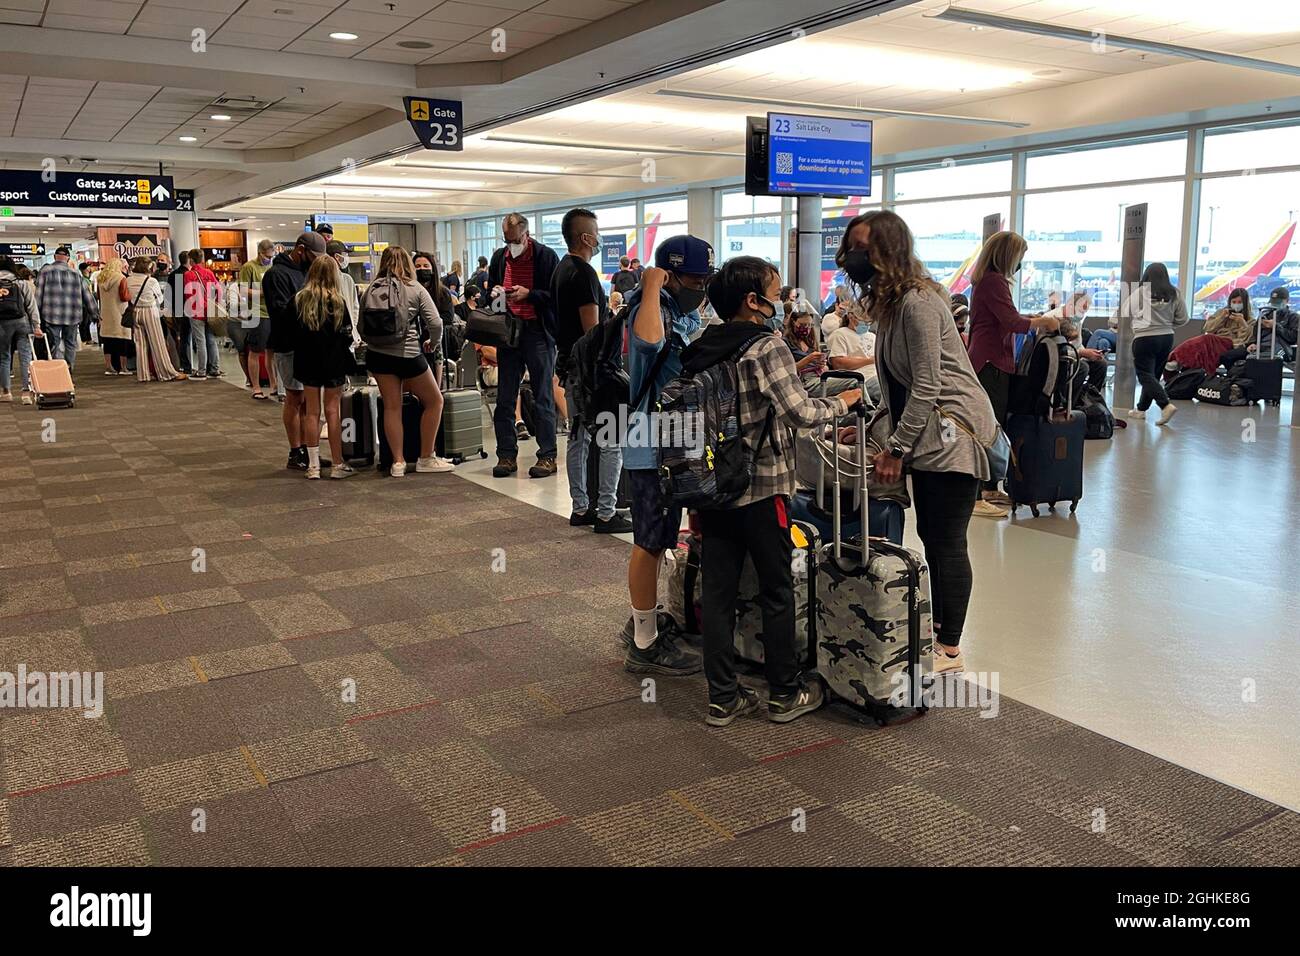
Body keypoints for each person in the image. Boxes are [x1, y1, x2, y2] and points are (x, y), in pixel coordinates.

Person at [688, 256, 861, 726]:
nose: (784, 299)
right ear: (753, 300)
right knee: (777, 588)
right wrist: (843, 402)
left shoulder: (705, 344)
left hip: (712, 486)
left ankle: (722, 696)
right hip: (763, 489)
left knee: (719, 592)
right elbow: (801, 414)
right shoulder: (766, 346)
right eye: (777, 290)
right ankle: (785, 691)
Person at [839, 210, 998, 675]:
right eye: (851, 247)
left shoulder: (919, 302)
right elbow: (898, 385)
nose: (853, 257)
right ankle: (938, 634)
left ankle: (949, 647)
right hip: (932, 434)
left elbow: (928, 384)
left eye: (862, 248)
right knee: (932, 536)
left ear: (889, 250)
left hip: (955, 435)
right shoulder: (892, 303)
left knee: (946, 541)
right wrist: (872, 431)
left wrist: (895, 449)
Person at [620, 234, 715, 677]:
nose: (702, 285)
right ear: (671, 274)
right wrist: (652, 286)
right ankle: (644, 641)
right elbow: (649, 344)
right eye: (694, 278)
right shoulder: (649, 309)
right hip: (649, 445)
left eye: (705, 278)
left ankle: (645, 621)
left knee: (659, 538)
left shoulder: (684, 313)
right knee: (650, 541)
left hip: (673, 443)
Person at [967, 231, 1060, 517]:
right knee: (987, 425)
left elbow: (1006, 318)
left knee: (991, 424)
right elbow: (1010, 321)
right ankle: (976, 494)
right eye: (1020, 256)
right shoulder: (994, 281)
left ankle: (989, 485)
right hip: (990, 362)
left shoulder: (988, 282)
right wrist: (1042, 320)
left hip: (992, 360)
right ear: (1009, 256)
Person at [552, 208, 632, 534]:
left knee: (578, 439)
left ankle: (580, 507)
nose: (598, 239)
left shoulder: (560, 270)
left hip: (568, 365)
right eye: (596, 233)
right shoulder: (584, 274)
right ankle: (606, 512)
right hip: (591, 372)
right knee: (612, 440)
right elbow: (592, 332)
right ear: (586, 237)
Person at [360, 246, 453, 477]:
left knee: (392, 407)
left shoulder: (371, 288)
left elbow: (361, 325)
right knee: (434, 401)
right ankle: (426, 457)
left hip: (378, 356)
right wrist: (434, 341)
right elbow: (436, 322)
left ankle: (398, 462)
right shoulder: (415, 287)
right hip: (408, 354)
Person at [487, 212, 560, 479]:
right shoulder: (499, 257)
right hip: (509, 332)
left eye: (515, 239)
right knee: (505, 397)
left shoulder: (545, 257)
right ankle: (506, 455)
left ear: (526, 234)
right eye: (507, 240)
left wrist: (530, 294)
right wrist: (494, 293)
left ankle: (547, 456)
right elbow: (489, 296)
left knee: (542, 395)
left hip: (537, 332)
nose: (511, 245)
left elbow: (555, 296)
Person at [292, 256, 358, 480]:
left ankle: (313, 466)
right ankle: (338, 464)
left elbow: (292, 332)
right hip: (334, 361)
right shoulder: (338, 301)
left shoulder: (300, 300)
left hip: (307, 360)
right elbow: (347, 335)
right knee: (333, 411)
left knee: (311, 412)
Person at [263, 232, 325, 470]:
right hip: (288, 344)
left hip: (309, 344)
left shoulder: (307, 272)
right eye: (313, 255)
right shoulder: (276, 275)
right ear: (300, 249)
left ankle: (310, 452)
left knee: (310, 401)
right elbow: (281, 312)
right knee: (294, 397)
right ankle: (295, 451)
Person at [1122, 262, 1188, 425]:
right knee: (1153, 376)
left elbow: (1125, 309)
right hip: (1166, 337)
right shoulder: (1175, 293)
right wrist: (1168, 323)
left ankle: (1165, 405)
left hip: (1144, 338)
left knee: (1145, 375)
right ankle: (1141, 409)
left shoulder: (1141, 292)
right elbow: (1183, 318)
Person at [35, 246, 97, 372]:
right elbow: (87, 295)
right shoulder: (75, 273)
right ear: (68, 258)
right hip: (73, 315)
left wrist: (35, 316)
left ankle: (58, 370)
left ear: (54, 257)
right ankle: (69, 370)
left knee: (54, 344)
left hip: (51, 315)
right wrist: (95, 313)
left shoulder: (45, 271)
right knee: (70, 344)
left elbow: (38, 295)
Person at [126, 257, 184, 383]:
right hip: (150, 311)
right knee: (157, 343)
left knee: (140, 344)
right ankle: (166, 373)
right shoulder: (151, 281)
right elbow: (159, 299)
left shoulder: (128, 280)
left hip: (135, 311)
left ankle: (143, 375)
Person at [236, 240, 277, 399]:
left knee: (271, 352)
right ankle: (256, 387)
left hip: (272, 312)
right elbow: (244, 291)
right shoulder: (249, 267)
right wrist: (263, 292)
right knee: (255, 350)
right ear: (259, 253)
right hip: (256, 313)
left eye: (271, 256)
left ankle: (274, 385)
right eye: (266, 256)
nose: (268, 259)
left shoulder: (272, 267)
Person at [1046, 291, 1107, 392]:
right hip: (1055, 360)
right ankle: (1065, 402)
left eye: (1084, 312)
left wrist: (1090, 353)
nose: (1082, 315)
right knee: (1082, 368)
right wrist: (1081, 353)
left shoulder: (1075, 321)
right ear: (1070, 305)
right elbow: (1054, 352)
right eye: (1081, 311)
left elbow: (1078, 344)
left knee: (1100, 364)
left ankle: (1088, 398)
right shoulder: (1052, 319)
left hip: (1071, 356)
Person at [0, 255, 40, 405]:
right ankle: (25, 394)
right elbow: (31, 306)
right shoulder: (22, 282)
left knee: (4, 357)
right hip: (22, 321)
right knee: (25, 357)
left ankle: (6, 392)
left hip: (2, 323)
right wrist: (36, 325)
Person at [824, 303, 882, 404]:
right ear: (851, 317)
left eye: (868, 321)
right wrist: (870, 360)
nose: (866, 323)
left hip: (879, 375)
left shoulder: (872, 336)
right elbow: (838, 363)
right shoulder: (840, 334)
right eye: (863, 320)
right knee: (888, 393)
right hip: (863, 379)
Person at [414, 251, 455, 383]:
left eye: (426, 266)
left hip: (435, 338)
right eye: (418, 266)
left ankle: (436, 387)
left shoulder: (442, 292)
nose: (422, 269)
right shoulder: (409, 291)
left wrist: (430, 323)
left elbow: (448, 317)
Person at [183, 249, 222, 379]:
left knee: (200, 342)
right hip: (209, 310)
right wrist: (216, 303)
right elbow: (218, 289)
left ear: (192, 260)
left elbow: (188, 294)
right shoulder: (209, 272)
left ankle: (201, 370)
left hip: (196, 311)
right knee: (211, 340)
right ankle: (215, 368)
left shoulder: (188, 275)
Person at [95, 258, 136, 375]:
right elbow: (124, 297)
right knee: (123, 340)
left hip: (106, 313)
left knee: (108, 342)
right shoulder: (121, 278)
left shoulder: (100, 279)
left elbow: (98, 296)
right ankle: (123, 368)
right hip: (120, 313)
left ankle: (109, 367)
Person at [1205, 287, 1258, 368]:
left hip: (1231, 346)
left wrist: (1242, 323)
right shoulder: (1221, 313)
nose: (1236, 305)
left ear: (1245, 303)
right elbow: (1208, 328)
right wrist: (1222, 318)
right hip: (1215, 343)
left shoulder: (1251, 320)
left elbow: (1247, 340)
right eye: (1233, 302)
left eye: (1240, 302)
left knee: (1207, 340)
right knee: (1205, 341)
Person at [782, 302, 825, 386]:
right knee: (854, 381)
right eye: (803, 325)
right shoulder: (785, 342)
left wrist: (821, 364)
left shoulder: (810, 341)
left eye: (809, 325)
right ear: (793, 322)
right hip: (802, 380)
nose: (806, 328)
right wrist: (808, 359)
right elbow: (786, 370)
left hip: (817, 376)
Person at [1259, 286, 1297, 361]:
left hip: (1282, 347)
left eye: (1278, 302)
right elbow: (1256, 335)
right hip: (1263, 346)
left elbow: (1293, 337)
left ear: (1287, 301)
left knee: (1277, 357)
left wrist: (1275, 326)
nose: (1275, 304)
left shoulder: (1293, 317)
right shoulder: (1265, 315)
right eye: (1273, 302)